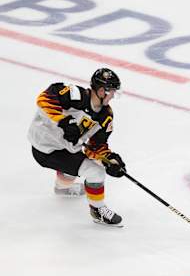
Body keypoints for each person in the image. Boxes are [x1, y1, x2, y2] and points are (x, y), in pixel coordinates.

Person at [28, 68, 126, 226]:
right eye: (112, 91)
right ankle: (98, 211)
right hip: (44, 146)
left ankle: (63, 188)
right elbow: (44, 98)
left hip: (66, 150)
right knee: (96, 173)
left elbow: (95, 147)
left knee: (79, 163)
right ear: (101, 91)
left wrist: (109, 160)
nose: (113, 96)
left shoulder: (105, 116)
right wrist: (63, 121)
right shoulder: (75, 95)